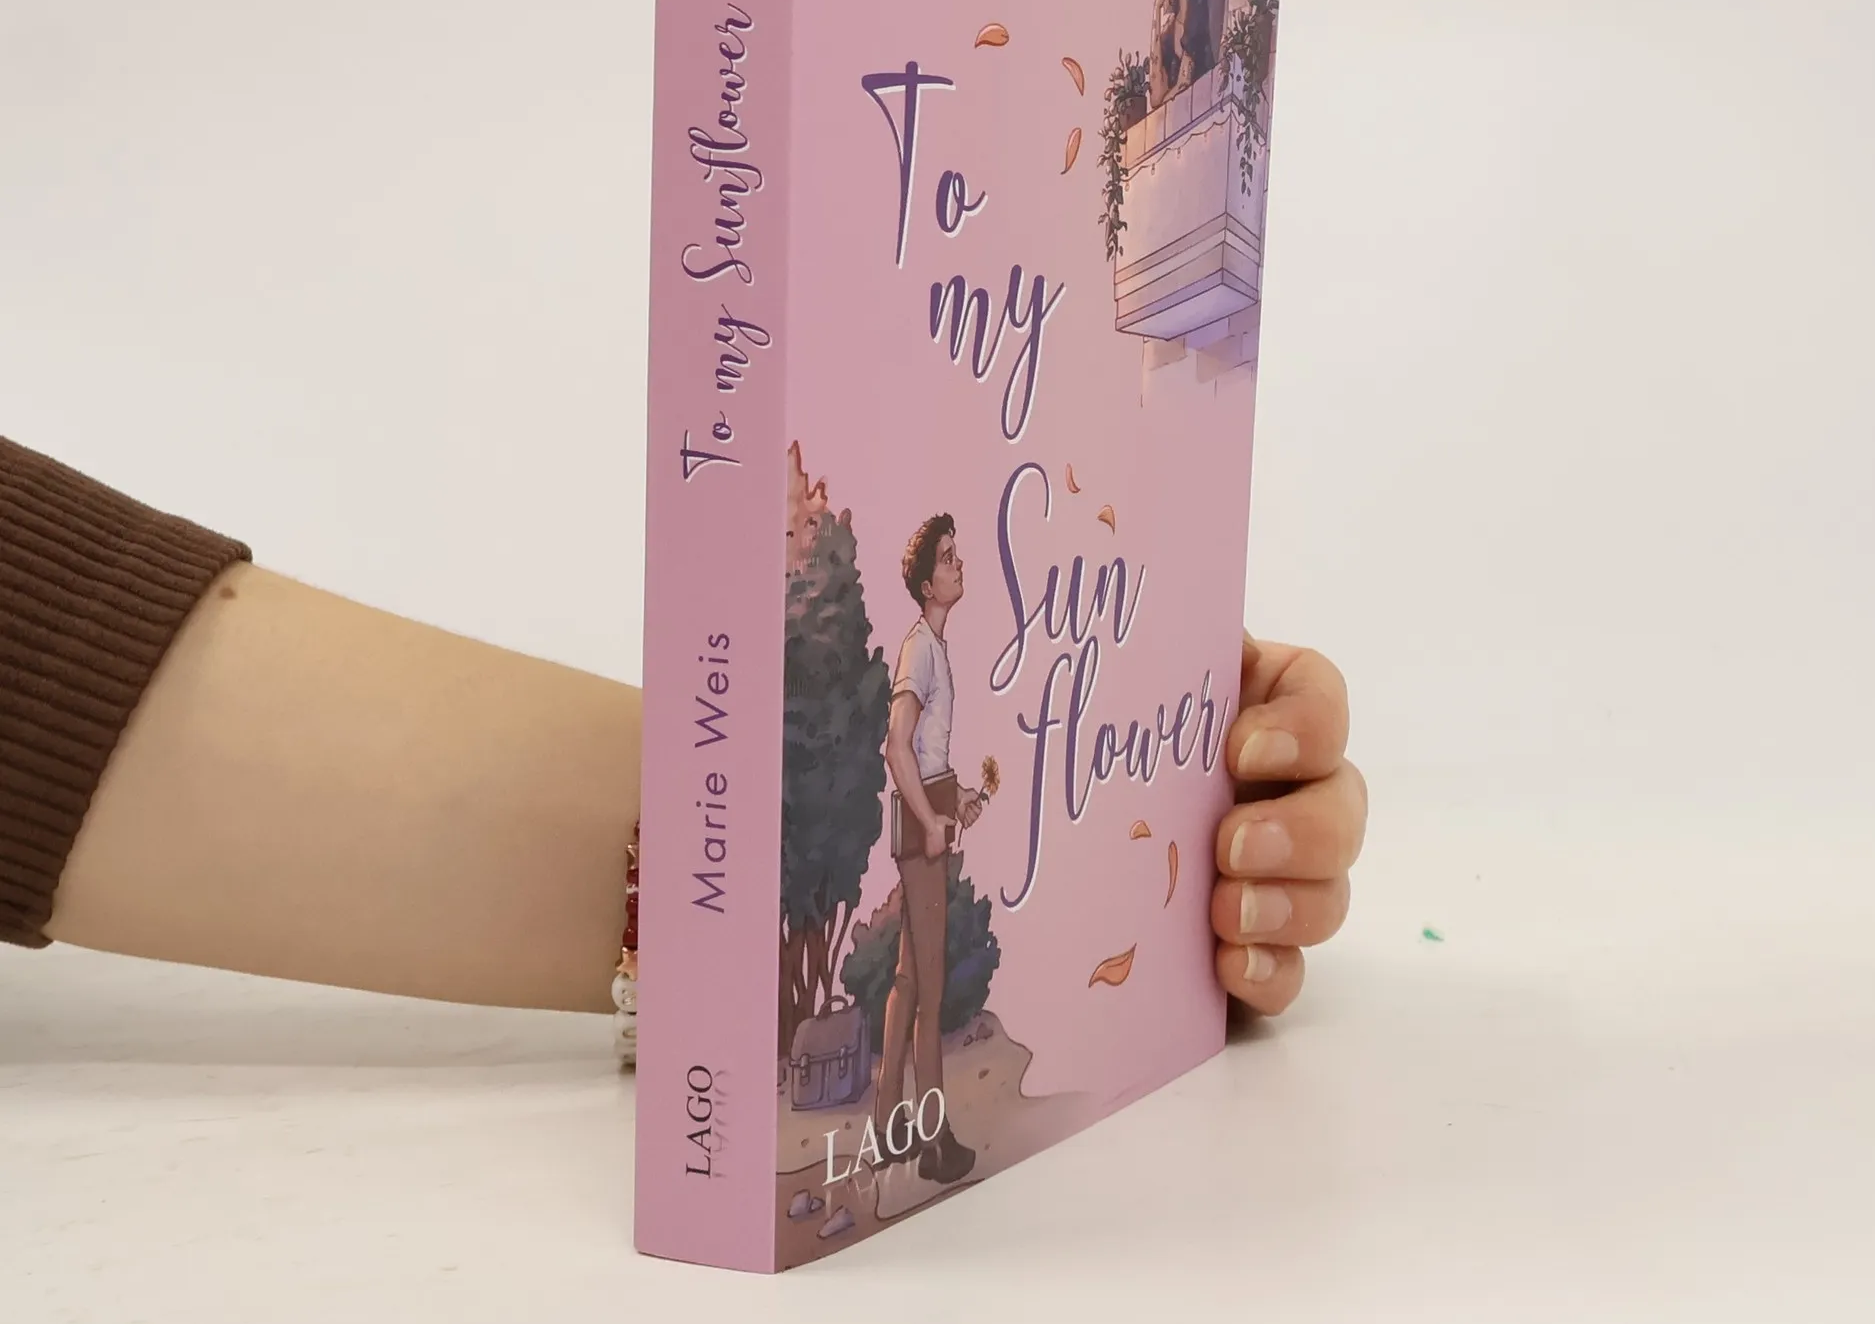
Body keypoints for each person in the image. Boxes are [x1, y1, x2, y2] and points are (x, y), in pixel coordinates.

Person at [0, 434, 1365, 1032]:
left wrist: (1106, 819)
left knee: (914, 994)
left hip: (893, 851)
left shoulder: (927, 652)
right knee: (906, 999)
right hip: (901, 842)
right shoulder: (909, 655)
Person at [872, 512, 984, 1184]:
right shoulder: (919, 650)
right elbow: (897, 745)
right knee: (930, 986)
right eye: (947, 558)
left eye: (955, 554)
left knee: (910, 979)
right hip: (921, 829)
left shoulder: (934, 649)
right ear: (925, 585)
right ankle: (933, 1141)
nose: (958, 564)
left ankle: (889, 1128)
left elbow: (928, 754)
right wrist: (931, 820)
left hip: (930, 812)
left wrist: (957, 799)